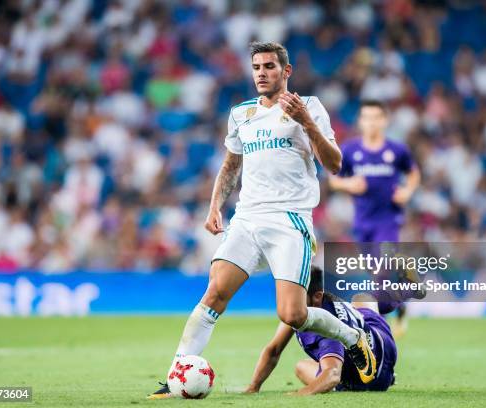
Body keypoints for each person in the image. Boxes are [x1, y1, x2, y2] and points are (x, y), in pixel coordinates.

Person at [149, 42, 374, 399]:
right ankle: (175, 375)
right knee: (215, 292)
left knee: (293, 314)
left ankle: (354, 338)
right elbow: (230, 165)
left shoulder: (310, 107)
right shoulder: (241, 114)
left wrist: (306, 123)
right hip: (248, 217)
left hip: (290, 220)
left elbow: (335, 164)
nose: (261, 73)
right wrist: (214, 206)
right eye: (256, 67)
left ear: (286, 72)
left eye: (269, 66)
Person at [328, 100, 420, 336]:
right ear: (360, 121)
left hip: (389, 220)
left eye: (376, 117)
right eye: (366, 117)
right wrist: (348, 183)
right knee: (377, 272)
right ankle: (403, 298)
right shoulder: (350, 150)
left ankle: (375, 326)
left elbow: (413, 173)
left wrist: (407, 191)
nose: (371, 122)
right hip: (363, 223)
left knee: (382, 270)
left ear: (384, 120)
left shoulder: (396, 151)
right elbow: (333, 179)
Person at [245, 266, 397, 395]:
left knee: (304, 368)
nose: (288, 300)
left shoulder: (328, 330)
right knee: (362, 298)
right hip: (379, 337)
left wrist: (301, 394)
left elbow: (333, 375)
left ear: (317, 297)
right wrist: (253, 387)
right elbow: (273, 350)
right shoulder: (297, 310)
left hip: (372, 377)